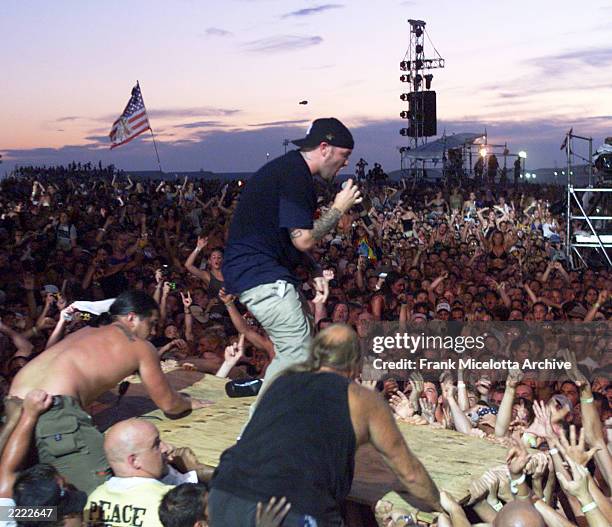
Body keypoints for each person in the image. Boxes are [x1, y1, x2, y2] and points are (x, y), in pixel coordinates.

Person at [209, 324, 441, 526]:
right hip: (290, 508)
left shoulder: (282, 382)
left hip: (224, 495)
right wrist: (440, 505)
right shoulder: (361, 399)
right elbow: (410, 474)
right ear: (355, 364)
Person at [9, 290, 210, 493]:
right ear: (131, 317)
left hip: (13, 407)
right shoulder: (140, 346)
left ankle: (29, 516)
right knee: (100, 498)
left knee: (15, 492)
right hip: (51, 411)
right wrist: (188, 401)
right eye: (151, 323)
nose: (154, 331)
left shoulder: (84, 331)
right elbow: (169, 404)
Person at [222, 118, 362, 384]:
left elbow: (288, 236)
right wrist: (338, 209)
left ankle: (278, 416)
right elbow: (304, 240)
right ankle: (263, 421)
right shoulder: (295, 174)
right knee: (296, 353)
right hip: (259, 273)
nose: (346, 163)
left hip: (260, 271)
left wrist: (314, 268)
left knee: (303, 347)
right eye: (344, 155)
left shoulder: (289, 170)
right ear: (325, 148)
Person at [85, 418, 175, 527]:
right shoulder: (172, 501)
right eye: (156, 444)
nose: (167, 448)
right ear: (134, 461)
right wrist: (195, 471)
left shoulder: (95, 499)